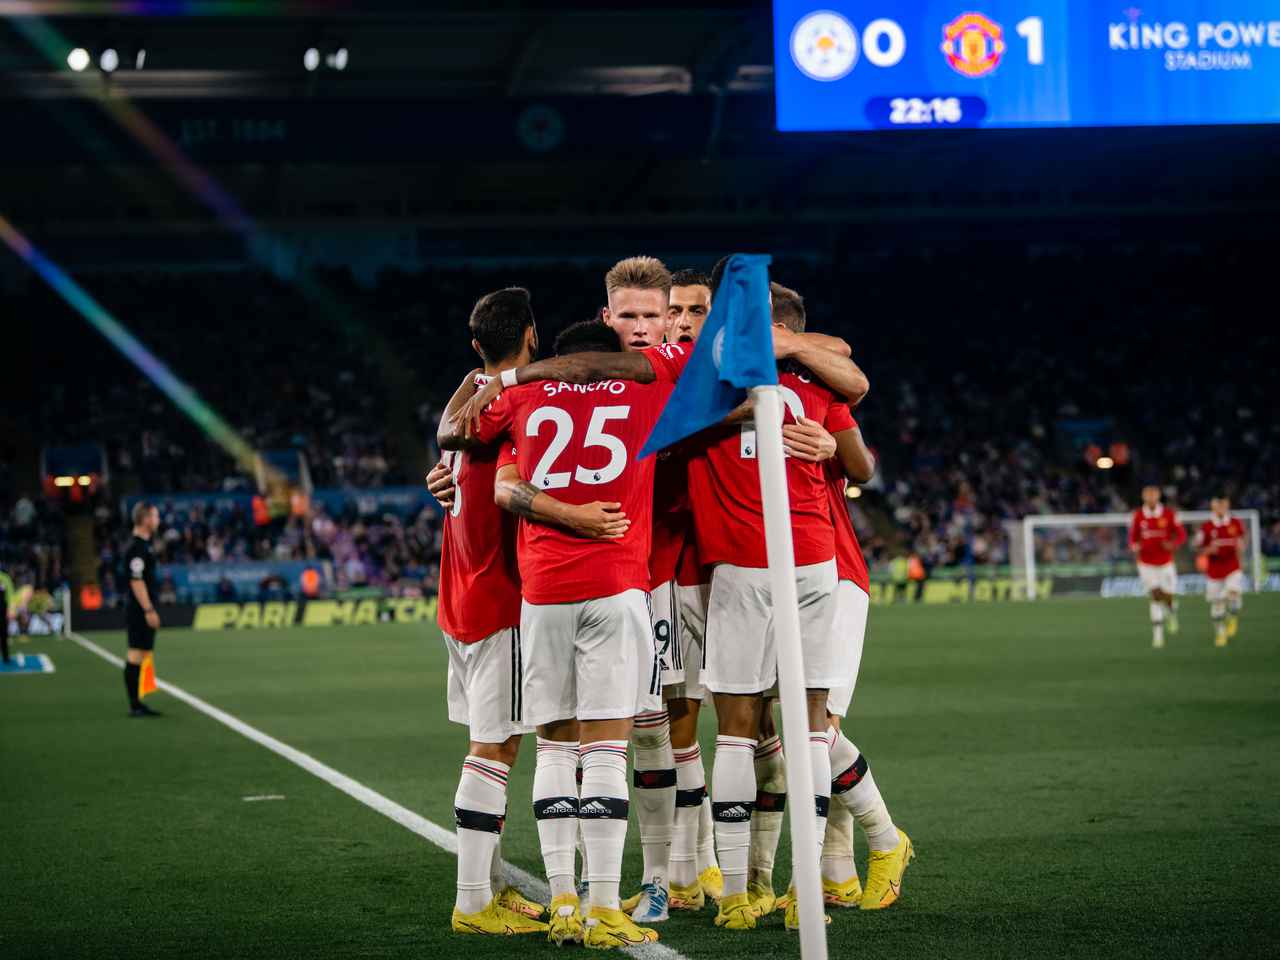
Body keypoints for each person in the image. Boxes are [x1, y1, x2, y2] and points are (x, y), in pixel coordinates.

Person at [454, 262, 873, 932]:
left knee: (745, 725)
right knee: (655, 731)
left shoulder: (662, 374)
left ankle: (756, 866)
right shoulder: (651, 382)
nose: (653, 327)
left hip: (700, 566)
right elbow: (492, 462)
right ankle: (666, 876)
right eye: (636, 317)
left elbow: (846, 373)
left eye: (666, 315)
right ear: (609, 319)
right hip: (637, 573)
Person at [441, 257, 694, 949]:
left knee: (553, 745)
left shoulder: (521, 398)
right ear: (609, 341)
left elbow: (459, 437)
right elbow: (653, 373)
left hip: (541, 595)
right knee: (609, 746)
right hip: (616, 584)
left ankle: (561, 901)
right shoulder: (644, 389)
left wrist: (505, 386)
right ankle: (606, 903)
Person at [428, 287, 550, 937]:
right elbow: (511, 492)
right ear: (532, 335)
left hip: (460, 595)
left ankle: (494, 885)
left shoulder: (466, 400)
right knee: (496, 748)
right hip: (498, 598)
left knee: (497, 743)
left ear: (478, 347)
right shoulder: (508, 404)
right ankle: (473, 900)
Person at [1128, 485, 1186, 648]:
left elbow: (1181, 534)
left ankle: (1171, 612)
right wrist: (1134, 546)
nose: (1151, 497)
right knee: (1155, 596)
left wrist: (1173, 544)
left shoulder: (1169, 514)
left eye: (1153, 494)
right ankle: (1158, 637)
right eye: (1148, 494)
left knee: (1168, 596)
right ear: (1143, 496)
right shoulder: (1138, 515)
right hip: (1146, 564)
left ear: (1158, 496)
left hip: (1166, 563)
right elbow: (1133, 537)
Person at [123, 502, 162, 717]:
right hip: (139, 611)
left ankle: (139, 701)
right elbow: (136, 581)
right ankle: (134, 705)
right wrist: (148, 609)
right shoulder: (137, 548)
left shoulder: (145, 546)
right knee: (136, 654)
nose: (158, 521)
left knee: (144, 653)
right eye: (155, 516)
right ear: (145, 519)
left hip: (143, 609)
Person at [1195, 496, 1247, 647]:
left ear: (1227, 505)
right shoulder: (1206, 527)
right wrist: (1207, 550)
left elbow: (1241, 542)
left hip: (1232, 567)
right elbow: (1198, 549)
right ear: (1212, 506)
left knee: (1233, 593)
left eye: (1223, 505)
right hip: (1214, 571)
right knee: (1216, 605)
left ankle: (1232, 616)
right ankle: (1220, 633)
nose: (1220, 508)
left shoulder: (1236, 523)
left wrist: (1241, 558)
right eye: (1217, 505)